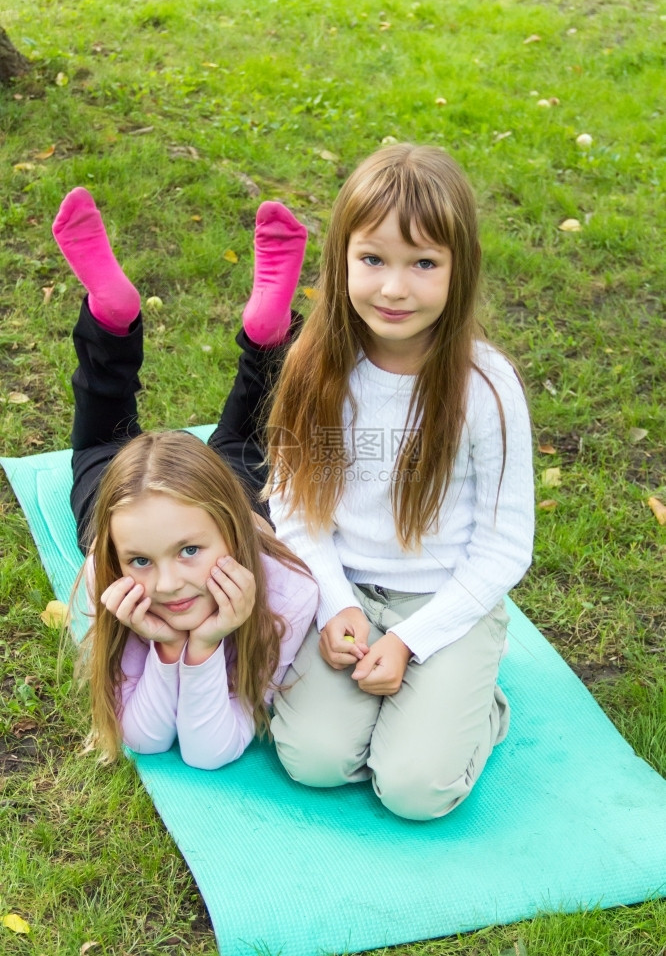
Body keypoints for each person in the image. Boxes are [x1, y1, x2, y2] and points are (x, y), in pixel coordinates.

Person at [263, 144, 535, 820]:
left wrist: (414, 641)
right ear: (342, 257)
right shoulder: (317, 364)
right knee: (312, 760)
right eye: (374, 259)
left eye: (423, 264)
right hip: (350, 594)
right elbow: (298, 507)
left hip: (444, 601)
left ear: (458, 269)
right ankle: (410, 709)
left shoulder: (486, 388)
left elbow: (505, 547)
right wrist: (335, 605)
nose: (393, 288)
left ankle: (479, 704)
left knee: (416, 790)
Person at [52, 188, 318, 769]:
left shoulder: (288, 594)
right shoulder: (111, 582)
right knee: (242, 442)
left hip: (139, 507)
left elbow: (208, 752)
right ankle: (267, 337)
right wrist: (175, 648)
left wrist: (200, 648)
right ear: (118, 558)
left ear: (232, 527)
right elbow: (143, 737)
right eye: (141, 560)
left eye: (190, 551)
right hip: (140, 510)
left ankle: (111, 316)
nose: (168, 585)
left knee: (101, 441)